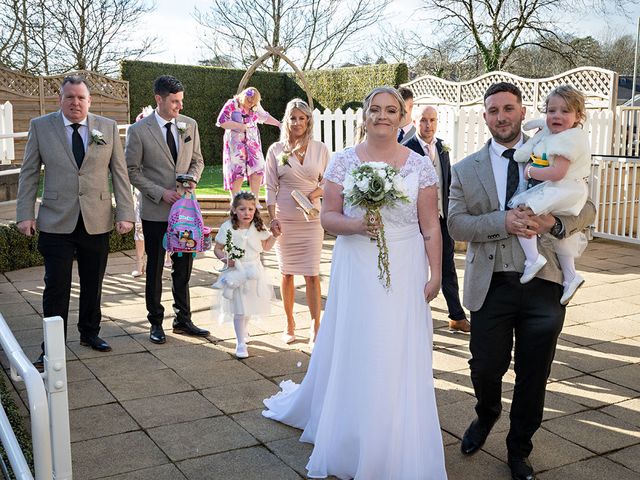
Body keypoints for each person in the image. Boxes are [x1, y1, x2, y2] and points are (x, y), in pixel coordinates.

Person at [263, 87, 447, 479]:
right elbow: (327, 216)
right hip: (357, 265)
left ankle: (392, 432)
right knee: (360, 341)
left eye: (391, 110)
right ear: (364, 116)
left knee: (395, 346)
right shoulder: (344, 161)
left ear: (402, 117)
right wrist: (357, 224)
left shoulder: (420, 166)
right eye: (375, 110)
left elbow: (430, 227)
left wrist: (437, 274)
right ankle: (350, 433)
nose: (383, 116)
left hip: (405, 264)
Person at [447, 82, 596, 480]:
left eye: (508, 108)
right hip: (491, 284)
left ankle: (519, 449)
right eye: (493, 110)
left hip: (544, 281)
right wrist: (502, 221)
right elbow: (456, 224)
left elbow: (588, 205)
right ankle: (487, 414)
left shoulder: (554, 144)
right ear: (485, 117)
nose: (502, 116)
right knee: (484, 368)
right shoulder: (464, 169)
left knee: (534, 373)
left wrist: (556, 221)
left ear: (520, 110)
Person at [16, 75, 135, 366]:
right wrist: (24, 214)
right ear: (61, 99)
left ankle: (89, 332)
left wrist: (126, 213)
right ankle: (51, 347)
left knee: (93, 282)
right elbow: (29, 173)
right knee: (56, 286)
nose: (75, 102)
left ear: (89, 101)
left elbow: (119, 173)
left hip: (96, 218)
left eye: (81, 98)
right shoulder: (41, 127)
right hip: (56, 221)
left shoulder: (106, 127)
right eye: (70, 97)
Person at [126, 75, 209, 344]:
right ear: (158, 99)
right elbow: (132, 171)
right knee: (155, 267)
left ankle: (183, 320)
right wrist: (161, 193)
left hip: (185, 212)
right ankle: (155, 322)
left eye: (181, 101)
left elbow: (197, 160)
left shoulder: (190, 125)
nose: (179, 107)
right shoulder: (138, 131)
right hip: (156, 211)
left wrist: (192, 179)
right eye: (174, 101)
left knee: (183, 268)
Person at [508, 86, 590, 305]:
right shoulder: (564, 134)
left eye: (565, 111)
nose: (557, 116)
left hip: (563, 187)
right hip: (567, 189)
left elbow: (557, 173)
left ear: (578, 116)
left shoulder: (568, 140)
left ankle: (533, 259)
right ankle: (571, 276)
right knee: (563, 238)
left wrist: (531, 171)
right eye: (552, 111)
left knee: (522, 210)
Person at [265, 99, 330, 345]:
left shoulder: (320, 149)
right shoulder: (276, 150)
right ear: (287, 120)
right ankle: (289, 323)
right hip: (286, 219)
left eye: (302, 118)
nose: (297, 123)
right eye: (293, 118)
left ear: (309, 121)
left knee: (313, 274)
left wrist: (311, 196)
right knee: (287, 273)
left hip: (312, 219)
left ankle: (316, 327)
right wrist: (272, 219)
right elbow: (270, 187)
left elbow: (329, 182)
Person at [405, 104, 470, 332]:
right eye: (423, 120)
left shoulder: (442, 147)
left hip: (441, 219)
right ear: (415, 122)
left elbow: (448, 180)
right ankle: (414, 314)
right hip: (415, 221)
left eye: (432, 120)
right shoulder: (406, 148)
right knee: (415, 267)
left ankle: (456, 315)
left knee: (447, 266)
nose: (428, 125)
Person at [212, 192, 279, 358]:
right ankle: (240, 342)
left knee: (249, 308)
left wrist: (275, 236)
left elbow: (266, 247)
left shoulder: (258, 226)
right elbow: (217, 248)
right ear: (234, 210)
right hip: (235, 272)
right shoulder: (227, 227)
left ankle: (243, 331)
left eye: (250, 209)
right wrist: (226, 260)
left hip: (254, 272)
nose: (247, 213)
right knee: (239, 310)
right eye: (242, 209)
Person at [216, 87, 281, 198]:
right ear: (243, 97)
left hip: (252, 142)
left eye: (253, 102)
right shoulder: (232, 104)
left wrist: (279, 124)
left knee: (257, 168)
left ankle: (254, 200)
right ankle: (235, 201)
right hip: (236, 145)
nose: (251, 104)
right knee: (237, 170)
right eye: (249, 101)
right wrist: (238, 126)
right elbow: (221, 121)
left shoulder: (255, 106)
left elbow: (264, 117)